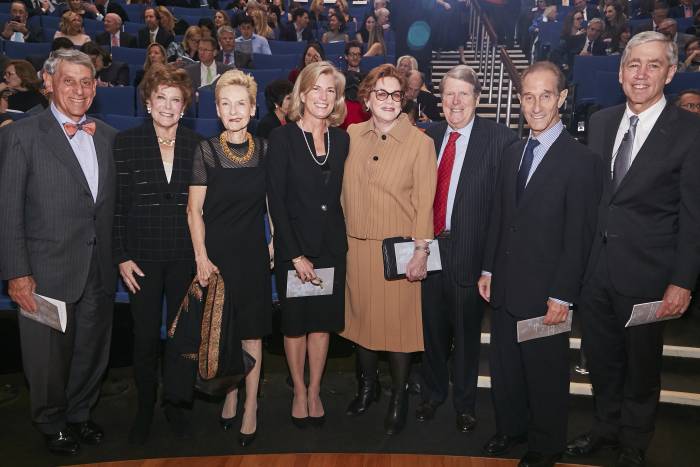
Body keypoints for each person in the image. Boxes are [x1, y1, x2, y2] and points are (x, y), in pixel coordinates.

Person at [566, 31, 700, 467]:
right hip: (596, 272)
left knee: (642, 368)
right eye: (633, 65)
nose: (641, 74)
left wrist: (682, 281)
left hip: (650, 275)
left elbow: (693, 215)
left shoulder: (691, 132)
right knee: (602, 362)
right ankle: (604, 429)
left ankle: (633, 443)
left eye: (653, 65)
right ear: (621, 72)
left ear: (671, 72)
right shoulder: (601, 122)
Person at [478, 61, 602, 467]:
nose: (535, 104)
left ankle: (545, 445)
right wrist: (488, 269)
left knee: (545, 375)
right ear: (519, 99)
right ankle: (510, 429)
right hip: (506, 287)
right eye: (528, 95)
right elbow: (500, 217)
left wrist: (562, 295)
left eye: (545, 95)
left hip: (546, 292)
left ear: (562, 99)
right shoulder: (513, 151)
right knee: (507, 369)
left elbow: (578, 236)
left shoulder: (581, 162)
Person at [0, 48, 117, 456]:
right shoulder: (20, 135)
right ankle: (51, 420)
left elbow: (110, 208)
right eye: (69, 81)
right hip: (44, 270)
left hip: (98, 268)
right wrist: (16, 273)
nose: (80, 90)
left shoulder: (106, 135)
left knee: (91, 350)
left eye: (87, 82)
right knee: (46, 358)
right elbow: (8, 210)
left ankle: (80, 413)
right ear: (48, 83)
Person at [417, 65, 518, 433]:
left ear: (477, 98)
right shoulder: (428, 135)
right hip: (428, 254)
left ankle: (464, 403)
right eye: (449, 94)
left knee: (466, 336)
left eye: (463, 94)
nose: (455, 101)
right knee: (431, 332)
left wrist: (490, 267)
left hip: (471, 259)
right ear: (440, 101)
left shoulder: (501, 140)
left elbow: (503, 213)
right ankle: (431, 394)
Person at [341, 64, 437, 436]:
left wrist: (420, 252)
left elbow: (424, 204)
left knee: (398, 332)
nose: (388, 101)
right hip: (355, 249)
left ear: (404, 99)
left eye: (395, 94)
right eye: (380, 93)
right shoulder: (350, 135)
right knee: (361, 325)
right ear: (366, 98)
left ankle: (399, 397)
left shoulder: (420, 143)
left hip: (397, 254)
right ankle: (367, 387)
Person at [112, 64, 201, 444]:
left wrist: (202, 256)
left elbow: (203, 210)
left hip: (184, 255)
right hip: (142, 259)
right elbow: (117, 205)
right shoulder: (126, 142)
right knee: (146, 337)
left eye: (175, 100)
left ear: (185, 106)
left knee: (183, 337)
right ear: (148, 102)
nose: (167, 105)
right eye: (160, 98)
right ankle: (145, 406)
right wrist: (120, 255)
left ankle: (177, 405)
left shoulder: (198, 145)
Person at [188, 69, 272, 447]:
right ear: (217, 109)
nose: (234, 110)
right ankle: (231, 393)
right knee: (225, 334)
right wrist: (201, 257)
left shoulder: (266, 149)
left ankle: (251, 405)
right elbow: (194, 212)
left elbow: (275, 205)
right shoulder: (205, 151)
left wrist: (277, 244)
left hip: (254, 254)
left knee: (252, 334)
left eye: (241, 103)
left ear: (253, 108)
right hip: (218, 257)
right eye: (226, 104)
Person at [267, 61, 350, 430]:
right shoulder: (284, 138)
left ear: (337, 99)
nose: (323, 96)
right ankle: (298, 390)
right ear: (302, 93)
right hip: (295, 249)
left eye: (330, 90)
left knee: (321, 325)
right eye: (316, 88)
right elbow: (276, 201)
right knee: (295, 326)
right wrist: (294, 253)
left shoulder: (343, 138)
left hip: (331, 247)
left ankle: (316, 388)